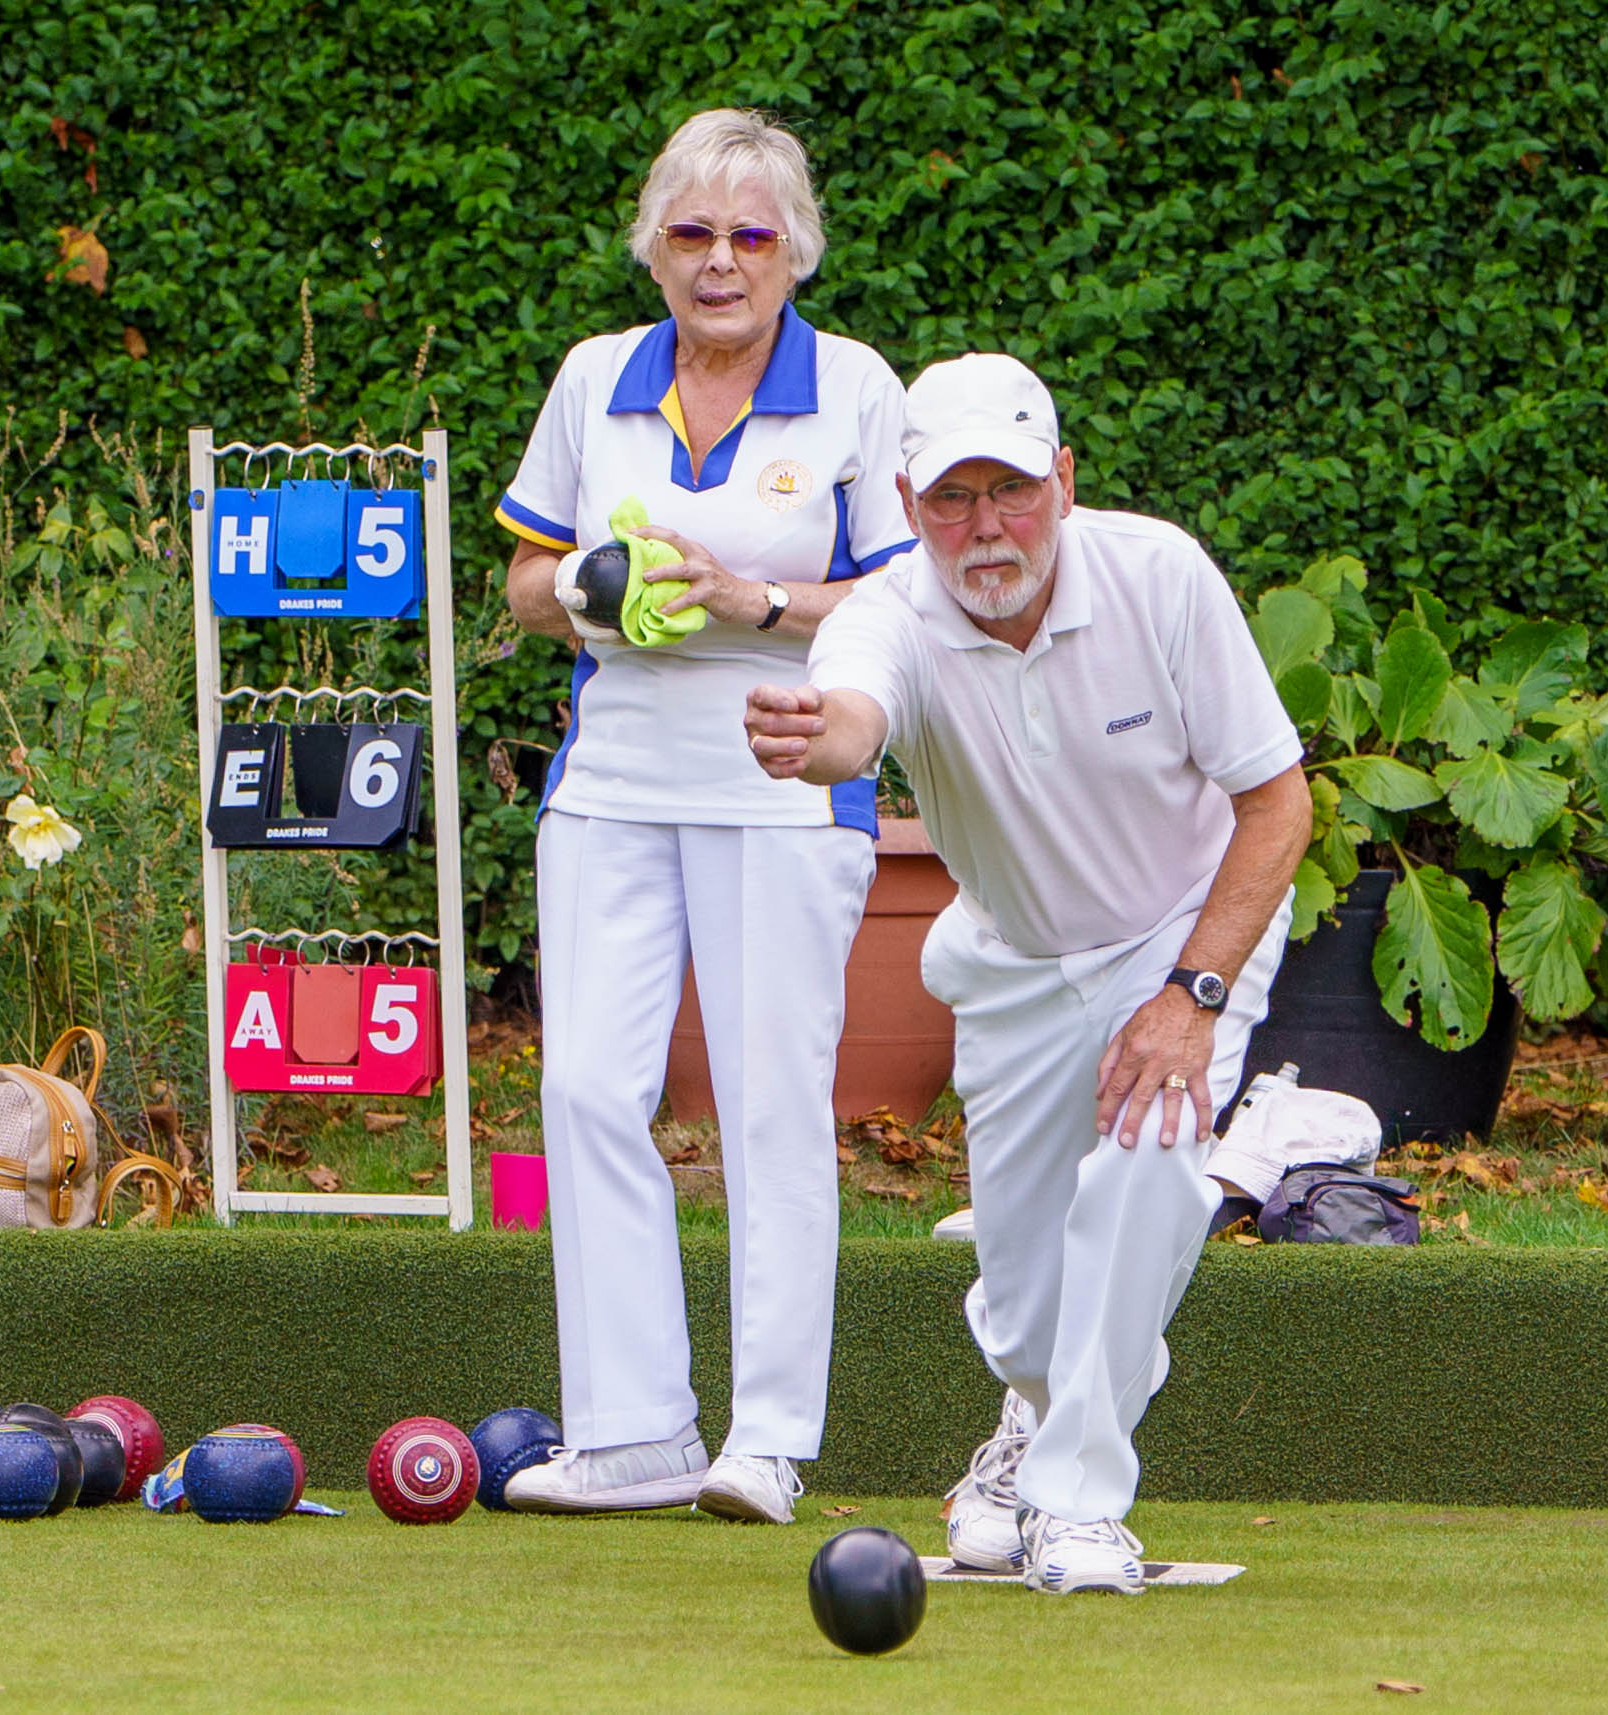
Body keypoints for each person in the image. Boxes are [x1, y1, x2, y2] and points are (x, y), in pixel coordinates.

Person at [742, 353, 1314, 1590]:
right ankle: (1028, 1420)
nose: (984, 525)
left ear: (1062, 478)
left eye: (1011, 487)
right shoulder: (888, 614)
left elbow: (1277, 804)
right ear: (907, 502)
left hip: (1182, 932)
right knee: (1019, 1296)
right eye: (952, 497)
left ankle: (1077, 1502)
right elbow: (852, 710)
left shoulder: (1158, 575)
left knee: (1148, 1170)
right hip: (1011, 958)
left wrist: (1190, 997)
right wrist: (813, 743)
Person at [493, 108, 915, 1526]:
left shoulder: (856, 387)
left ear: (793, 250)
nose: (720, 261)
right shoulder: (593, 378)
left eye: (749, 235)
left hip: (787, 787)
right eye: (691, 233)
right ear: (653, 247)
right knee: (585, 1092)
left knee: (770, 1103)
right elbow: (527, 578)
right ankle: (631, 1429)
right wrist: (595, 590)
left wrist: (749, 599)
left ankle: (771, 1437)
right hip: (609, 779)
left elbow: (907, 599)